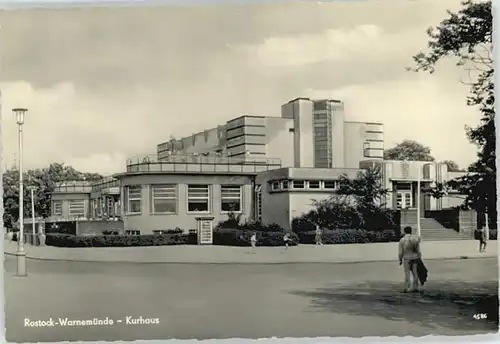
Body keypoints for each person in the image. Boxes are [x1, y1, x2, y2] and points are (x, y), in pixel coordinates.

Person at [398, 226, 422, 293]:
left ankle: (407, 288)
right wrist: (419, 257)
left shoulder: (402, 240)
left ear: (404, 231)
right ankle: (415, 287)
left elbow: (400, 252)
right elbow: (418, 250)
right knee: (415, 273)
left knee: (407, 273)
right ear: (411, 231)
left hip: (407, 258)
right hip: (414, 258)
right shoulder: (415, 239)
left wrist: (400, 259)